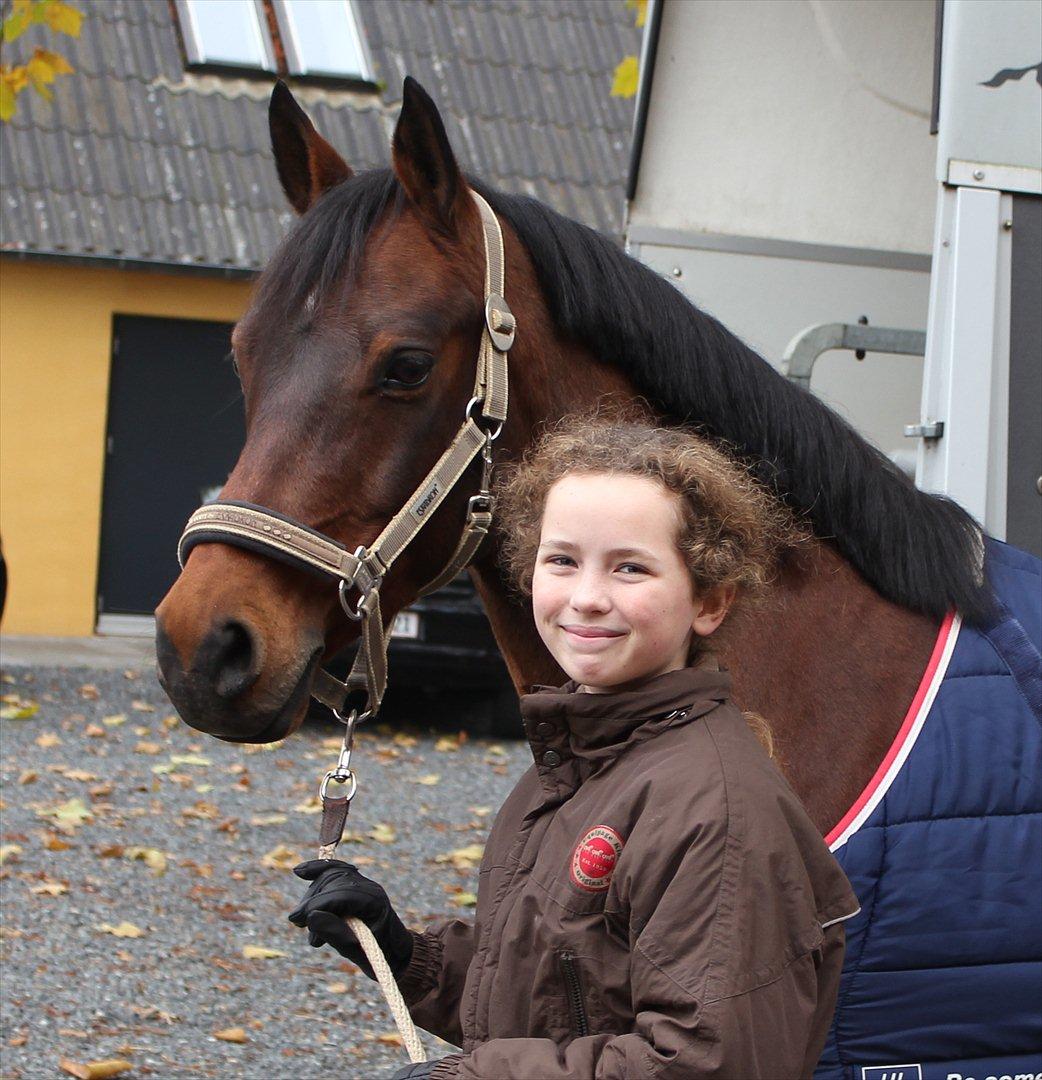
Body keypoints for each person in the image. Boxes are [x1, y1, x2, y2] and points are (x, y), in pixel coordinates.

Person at [289, 413, 861, 1079]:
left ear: (709, 601)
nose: (587, 598)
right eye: (562, 560)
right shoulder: (579, 757)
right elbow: (554, 997)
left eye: (630, 569)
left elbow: (704, 1062)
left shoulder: (716, 813)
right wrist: (397, 949)